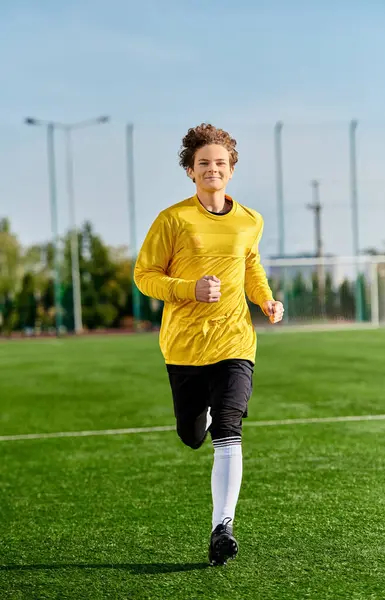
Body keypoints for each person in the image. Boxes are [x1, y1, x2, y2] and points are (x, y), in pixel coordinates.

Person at [134, 123, 284, 566]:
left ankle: (223, 527)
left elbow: (251, 266)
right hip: (183, 346)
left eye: (220, 162)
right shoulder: (172, 220)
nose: (212, 169)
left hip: (235, 340)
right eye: (204, 163)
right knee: (191, 434)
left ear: (231, 169)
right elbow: (145, 276)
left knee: (230, 429)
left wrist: (266, 299)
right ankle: (202, 417)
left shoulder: (250, 220)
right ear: (190, 171)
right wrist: (189, 289)